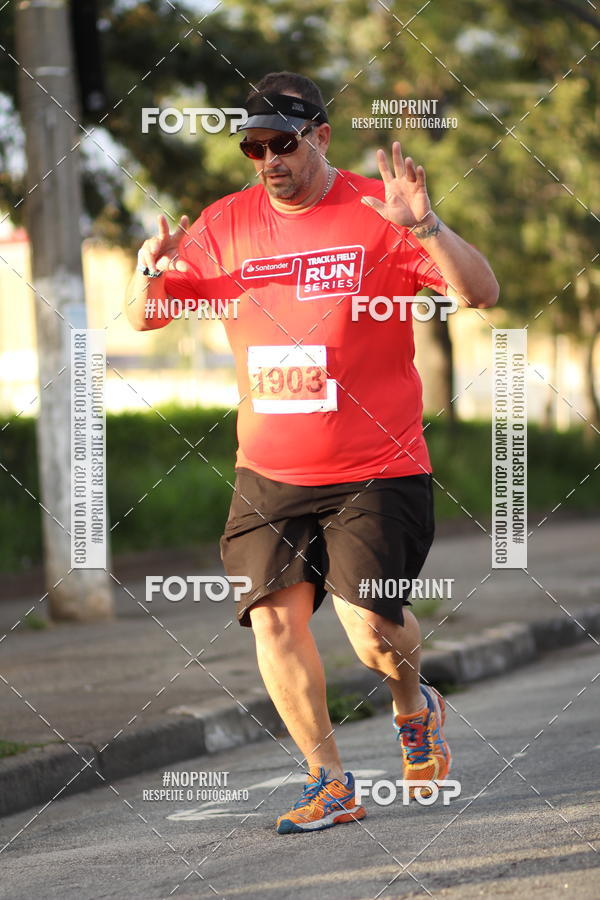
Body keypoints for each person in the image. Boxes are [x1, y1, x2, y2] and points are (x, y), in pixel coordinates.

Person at [126, 71, 498, 835]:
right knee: (272, 620)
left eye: (283, 144)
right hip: (270, 469)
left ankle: (411, 704)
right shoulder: (225, 222)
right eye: (254, 147)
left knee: (370, 631)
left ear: (320, 137)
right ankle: (331, 782)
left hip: (377, 464)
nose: (268, 160)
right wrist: (146, 273)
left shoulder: (378, 211)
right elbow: (146, 320)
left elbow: (480, 292)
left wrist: (425, 226)